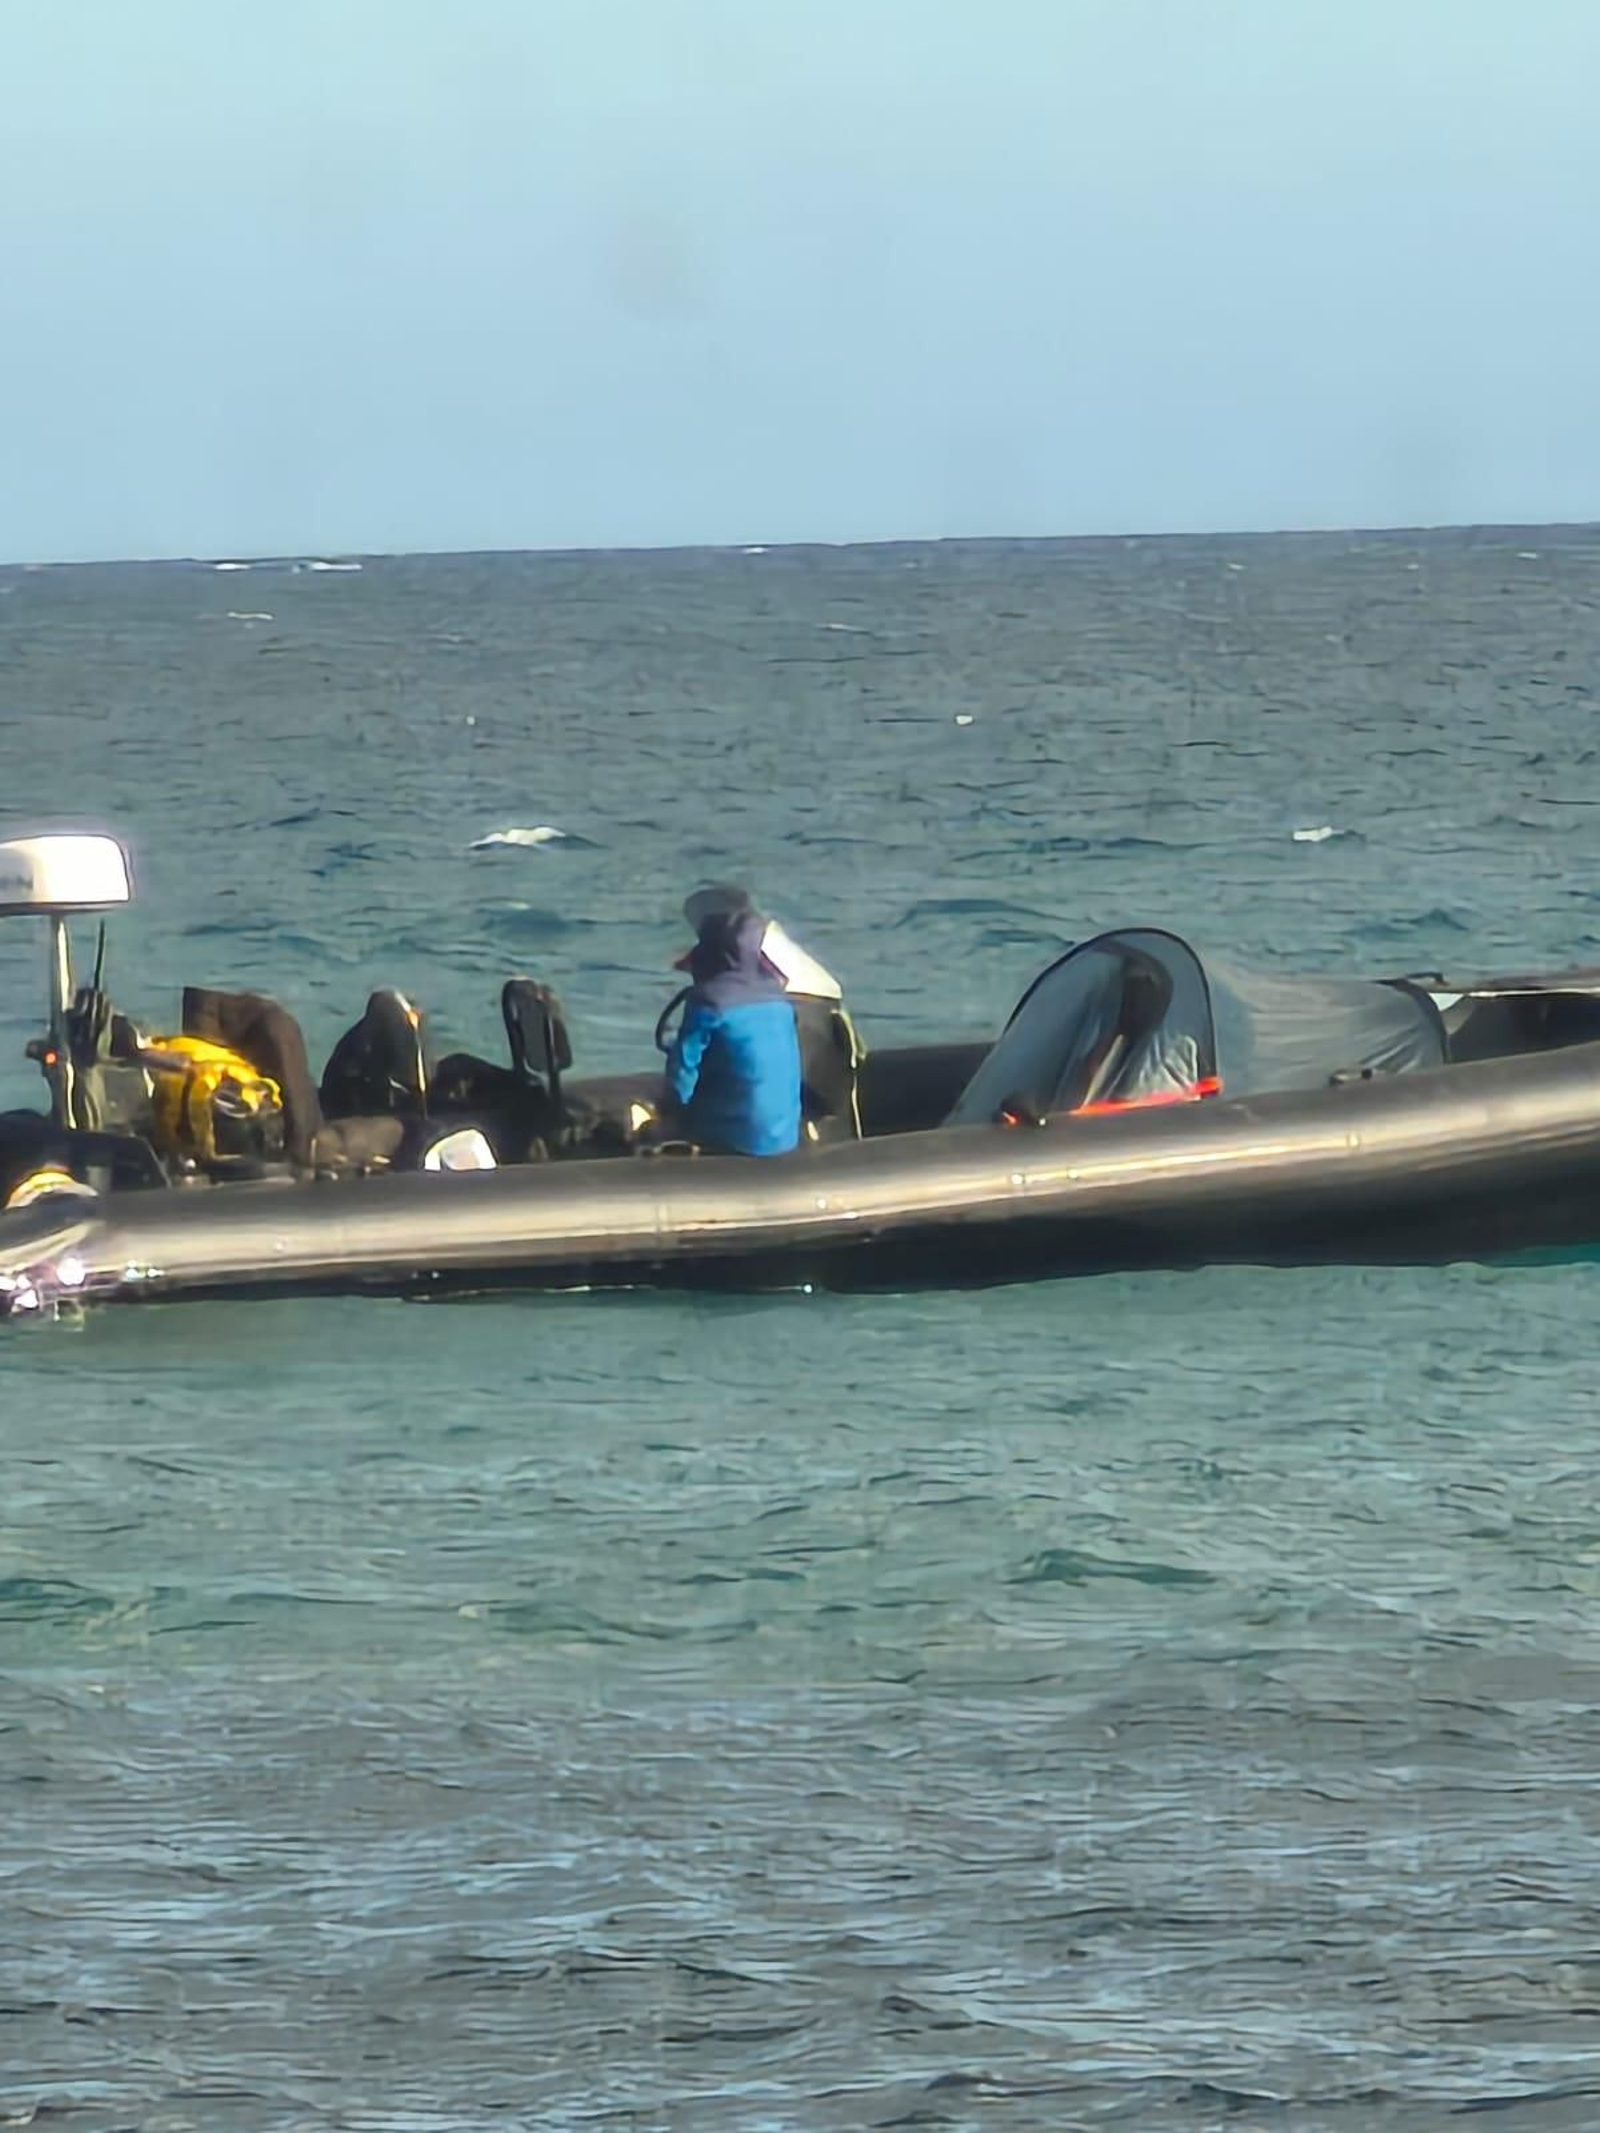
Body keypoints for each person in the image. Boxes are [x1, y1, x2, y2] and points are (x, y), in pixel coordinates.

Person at [662, 908, 802, 1155]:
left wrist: (671, 1110)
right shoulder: (780, 1000)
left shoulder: (710, 1002)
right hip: (785, 1135)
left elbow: (683, 1067)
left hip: (739, 1135)